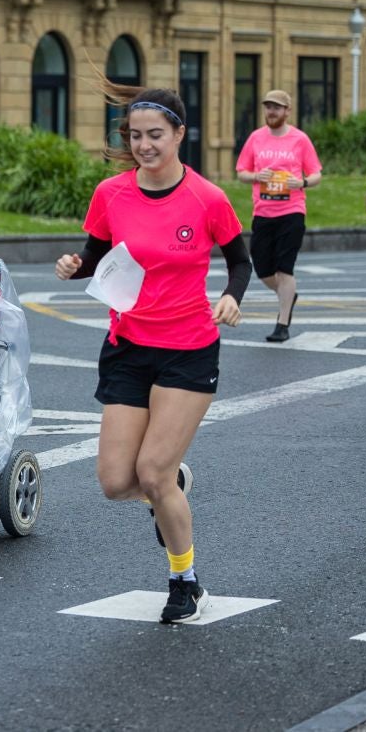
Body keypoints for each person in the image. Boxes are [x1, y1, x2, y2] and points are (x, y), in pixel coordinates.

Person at [55, 85, 250, 625]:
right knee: (118, 481)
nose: (143, 145)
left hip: (188, 349)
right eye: (135, 135)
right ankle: (171, 487)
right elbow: (96, 255)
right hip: (127, 346)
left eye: (154, 135)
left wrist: (232, 295)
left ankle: (185, 580)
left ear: (180, 135)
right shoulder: (111, 194)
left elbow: (239, 258)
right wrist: (77, 265)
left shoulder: (207, 198)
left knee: (153, 471)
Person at [234, 89, 322, 342]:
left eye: (276, 107)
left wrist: (302, 182)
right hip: (263, 211)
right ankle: (288, 293)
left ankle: (282, 324)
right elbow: (241, 171)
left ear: (287, 111)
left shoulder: (300, 139)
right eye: (268, 107)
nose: (271, 112)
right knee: (262, 269)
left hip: (292, 211)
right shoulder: (256, 138)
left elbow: (316, 173)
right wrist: (255, 176)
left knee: (285, 270)